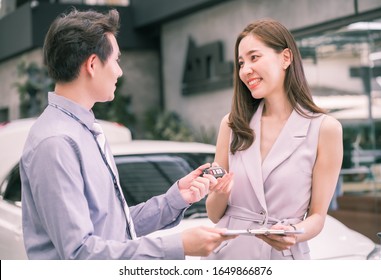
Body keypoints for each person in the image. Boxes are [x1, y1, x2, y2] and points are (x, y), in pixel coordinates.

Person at [20, 8, 235, 260]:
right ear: (92, 64)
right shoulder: (56, 142)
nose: (119, 71)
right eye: (116, 60)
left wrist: (175, 200)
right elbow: (80, 255)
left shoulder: (83, 131)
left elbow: (114, 230)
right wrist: (179, 246)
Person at [203, 18, 343, 260]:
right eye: (241, 62)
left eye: (254, 57)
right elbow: (215, 214)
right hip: (229, 258)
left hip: (284, 257)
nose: (246, 69)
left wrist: (294, 233)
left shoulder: (325, 129)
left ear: (285, 58)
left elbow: (318, 216)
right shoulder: (232, 125)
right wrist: (221, 191)